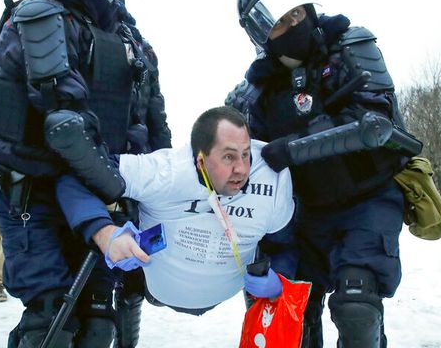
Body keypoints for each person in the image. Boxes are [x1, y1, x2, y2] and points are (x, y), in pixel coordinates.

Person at [0, 0, 172, 346]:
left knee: (100, 318)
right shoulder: (37, 20)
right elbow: (65, 124)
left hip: (106, 192)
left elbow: (153, 119)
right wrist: (113, 187)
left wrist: (161, 189)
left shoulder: (130, 36)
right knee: (52, 320)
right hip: (36, 193)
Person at [228, 0, 417, 348]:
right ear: (261, 35)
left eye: (296, 12)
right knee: (290, 318)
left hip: (366, 199)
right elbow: (237, 159)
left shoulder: (352, 48)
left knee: (356, 307)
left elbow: (374, 124)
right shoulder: (253, 93)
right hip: (303, 215)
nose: (294, 22)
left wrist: (293, 147)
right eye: (280, 21)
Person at [52, 106, 297, 315]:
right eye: (228, 158)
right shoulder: (166, 172)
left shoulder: (270, 177)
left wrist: (280, 277)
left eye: (245, 155)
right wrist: (104, 233)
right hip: (158, 287)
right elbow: (74, 179)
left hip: (227, 288)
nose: (242, 169)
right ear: (200, 160)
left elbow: (284, 243)